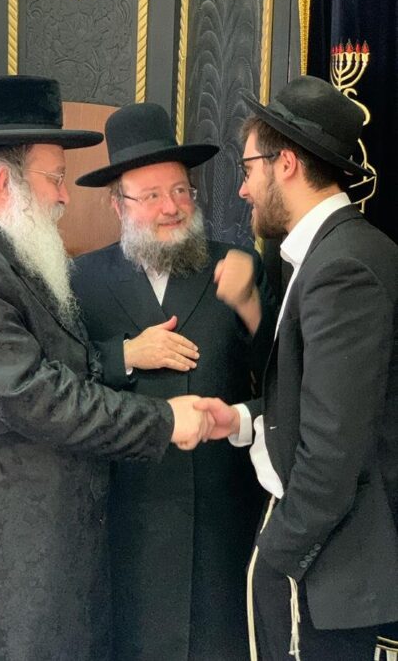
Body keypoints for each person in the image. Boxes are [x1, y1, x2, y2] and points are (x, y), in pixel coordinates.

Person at [0, 75, 215, 660]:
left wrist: (120, 356)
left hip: (24, 538)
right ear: (2, 180)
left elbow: (42, 361)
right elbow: (37, 396)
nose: (65, 195)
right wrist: (165, 421)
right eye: (56, 177)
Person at [195, 75, 398, 659]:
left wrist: (278, 554)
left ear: (284, 164)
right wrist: (240, 420)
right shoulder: (329, 252)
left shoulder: (343, 267)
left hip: (333, 572)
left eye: (248, 168)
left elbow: (334, 451)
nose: (242, 188)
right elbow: (322, 401)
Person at [71, 102, 277, 660]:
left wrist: (250, 305)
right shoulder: (81, 279)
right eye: (152, 195)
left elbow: (284, 375)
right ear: (118, 204)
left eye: (182, 190)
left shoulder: (237, 263)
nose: (172, 207)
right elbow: (60, 383)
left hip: (219, 518)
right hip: (124, 515)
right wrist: (124, 355)